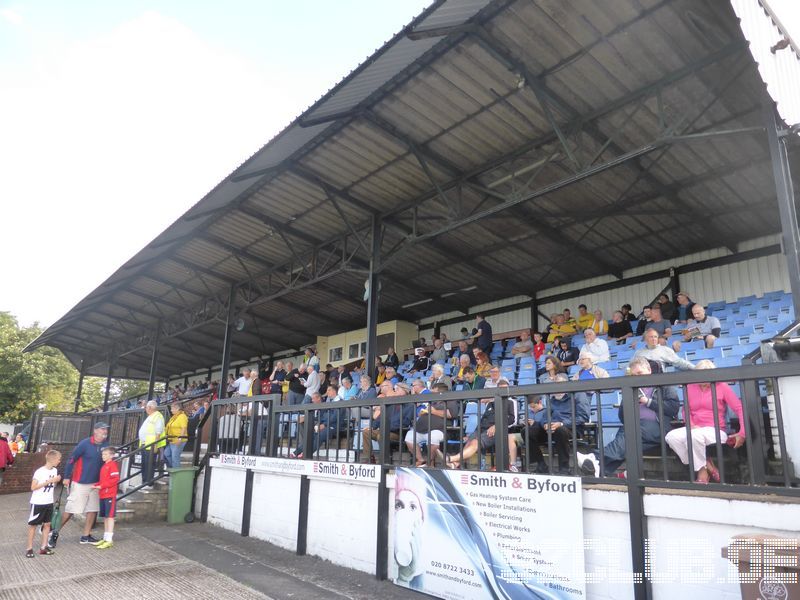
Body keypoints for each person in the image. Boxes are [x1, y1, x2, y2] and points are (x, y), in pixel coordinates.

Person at [577, 357, 680, 477]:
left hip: (660, 427)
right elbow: (622, 417)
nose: (637, 377)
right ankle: (599, 470)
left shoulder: (663, 385)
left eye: (640, 373)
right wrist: (627, 401)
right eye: (634, 375)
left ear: (649, 370)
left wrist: (648, 402)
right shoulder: (631, 388)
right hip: (637, 430)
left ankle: (594, 457)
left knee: (627, 433)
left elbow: (673, 408)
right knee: (627, 440)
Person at [665, 360, 746, 483]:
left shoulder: (721, 386)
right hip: (695, 428)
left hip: (716, 429)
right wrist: (691, 425)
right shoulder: (690, 387)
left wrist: (742, 432)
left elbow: (739, 408)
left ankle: (702, 473)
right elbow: (685, 411)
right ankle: (705, 465)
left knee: (693, 437)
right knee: (671, 437)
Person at [50, 422, 109, 547]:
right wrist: (66, 476)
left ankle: (85, 536)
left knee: (93, 510)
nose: (105, 432)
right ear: (96, 431)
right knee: (71, 509)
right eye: (103, 429)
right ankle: (53, 532)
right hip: (80, 482)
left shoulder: (105, 445)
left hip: (96, 483)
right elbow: (72, 459)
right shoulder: (85, 444)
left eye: (106, 430)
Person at [525, 375, 590, 474]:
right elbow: (545, 417)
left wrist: (561, 423)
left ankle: (564, 468)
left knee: (560, 430)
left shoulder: (578, 394)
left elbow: (583, 416)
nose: (556, 392)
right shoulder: (552, 399)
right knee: (527, 431)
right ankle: (541, 465)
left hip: (571, 428)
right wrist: (545, 424)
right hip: (552, 428)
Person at [446, 379, 515, 468]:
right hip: (481, 429)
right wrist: (474, 432)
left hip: (495, 431)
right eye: (501, 389)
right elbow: (483, 420)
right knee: (469, 441)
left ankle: (451, 459)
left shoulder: (511, 402)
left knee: (475, 442)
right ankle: (456, 464)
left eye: (505, 389)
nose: (503, 392)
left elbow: (512, 419)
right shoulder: (491, 404)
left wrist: (496, 426)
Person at [405, 382, 458, 466]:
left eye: (433, 392)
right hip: (421, 429)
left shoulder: (450, 400)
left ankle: (430, 462)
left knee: (432, 436)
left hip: (439, 430)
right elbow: (424, 412)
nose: (431, 394)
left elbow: (451, 414)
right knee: (409, 436)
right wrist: (422, 413)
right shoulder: (432, 401)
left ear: (440, 392)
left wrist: (434, 411)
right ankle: (421, 460)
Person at [361, 384, 415, 463]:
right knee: (366, 432)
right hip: (385, 431)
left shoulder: (410, 405)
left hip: (397, 433)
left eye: (397, 389)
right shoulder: (392, 403)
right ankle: (369, 458)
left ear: (405, 390)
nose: (395, 390)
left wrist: (387, 427)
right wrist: (372, 426)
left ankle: (384, 460)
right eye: (395, 389)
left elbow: (405, 422)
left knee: (381, 436)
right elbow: (380, 417)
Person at [26, 449, 62, 557]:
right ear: (53, 459)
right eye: (59, 459)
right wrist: (49, 481)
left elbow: (53, 486)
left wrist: (55, 481)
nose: (59, 461)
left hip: (48, 501)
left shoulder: (54, 471)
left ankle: (43, 547)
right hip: (38, 502)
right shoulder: (40, 471)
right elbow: (33, 487)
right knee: (33, 525)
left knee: (47, 524)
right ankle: (29, 548)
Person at [292, 392, 342, 459]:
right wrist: (305, 418)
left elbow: (331, 417)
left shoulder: (326, 406)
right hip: (318, 425)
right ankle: (296, 452)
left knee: (318, 435)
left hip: (330, 426)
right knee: (308, 432)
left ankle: (306, 453)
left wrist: (323, 424)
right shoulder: (316, 405)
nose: (312, 400)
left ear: (318, 398)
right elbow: (317, 417)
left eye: (313, 398)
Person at [92, 446, 120, 549]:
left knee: (110, 517)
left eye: (105, 454)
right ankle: (105, 538)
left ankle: (109, 540)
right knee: (105, 517)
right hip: (103, 494)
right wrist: (97, 485)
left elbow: (115, 479)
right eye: (103, 454)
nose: (103, 456)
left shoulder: (112, 465)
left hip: (109, 495)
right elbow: (103, 480)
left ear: (112, 455)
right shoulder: (104, 466)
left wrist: (101, 486)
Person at [138, 401, 166, 487]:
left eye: (146, 407)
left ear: (150, 407)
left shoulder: (157, 416)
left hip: (151, 445)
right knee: (144, 464)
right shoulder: (151, 416)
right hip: (145, 444)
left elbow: (158, 432)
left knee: (149, 464)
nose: (145, 409)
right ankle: (144, 481)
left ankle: (148, 482)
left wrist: (155, 445)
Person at [164, 402, 188, 469]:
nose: (171, 410)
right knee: (166, 454)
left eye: (172, 408)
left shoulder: (182, 416)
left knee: (175, 457)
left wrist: (180, 438)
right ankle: (173, 469)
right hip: (172, 440)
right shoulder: (174, 417)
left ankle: (176, 473)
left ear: (177, 409)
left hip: (179, 440)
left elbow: (184, 428)